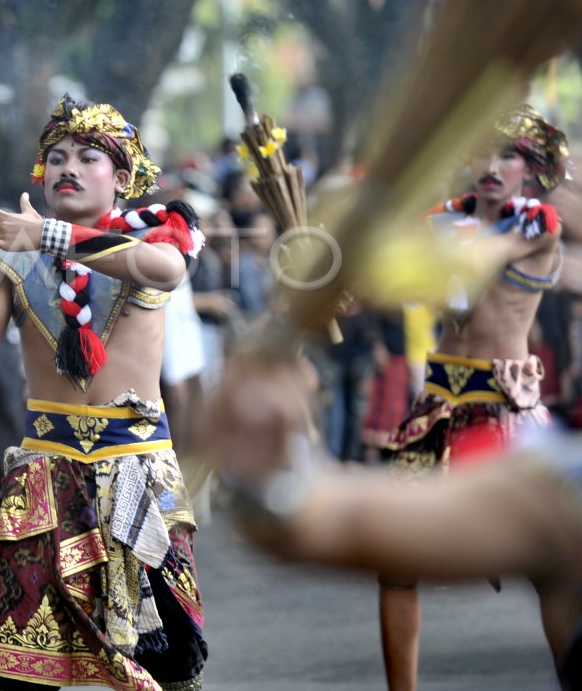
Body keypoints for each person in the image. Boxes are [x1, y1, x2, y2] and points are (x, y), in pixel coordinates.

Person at [0, 95, 208, 691]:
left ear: (122, 179)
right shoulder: (12, 258)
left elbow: (165, 273)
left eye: (86, 157)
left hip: (136, 475)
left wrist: (46, 235)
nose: (66, 168)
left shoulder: (157, 239)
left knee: (165, 669)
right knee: (18, 673)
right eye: (54, 157)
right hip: (44, 482)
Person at [210, 338, 582, 691]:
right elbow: (327, 520)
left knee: (554, 573)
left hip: (502, 400)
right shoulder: (559, 484)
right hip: (439, 402)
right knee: (397, 571)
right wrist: (265, 471)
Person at [377, 104, 568, 691]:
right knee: (396, 563)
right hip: (433, 407)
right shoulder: (444, 221)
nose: (490, 165)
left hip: (504, 410)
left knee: (552, 566)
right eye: (481, 151)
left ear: (531, 170)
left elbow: (486, 255)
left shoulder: (538, 224)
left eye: (507, 155)